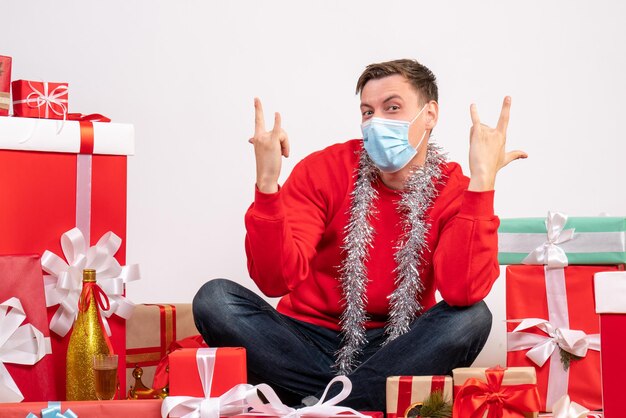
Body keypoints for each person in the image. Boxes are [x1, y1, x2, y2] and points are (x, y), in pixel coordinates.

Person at [193, 59, 526, 411]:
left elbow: (463, 289)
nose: (376, 122)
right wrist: (267, 185)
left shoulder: (453, 187)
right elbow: (275, 280)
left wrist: (481, 184)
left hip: (397, 347)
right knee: (215, 299)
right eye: (368, 112)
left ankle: (325, 404)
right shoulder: (326, 169)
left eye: (392, 108)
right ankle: (355, 403)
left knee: (473, 316)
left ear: (429, 115)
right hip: (305, 340)